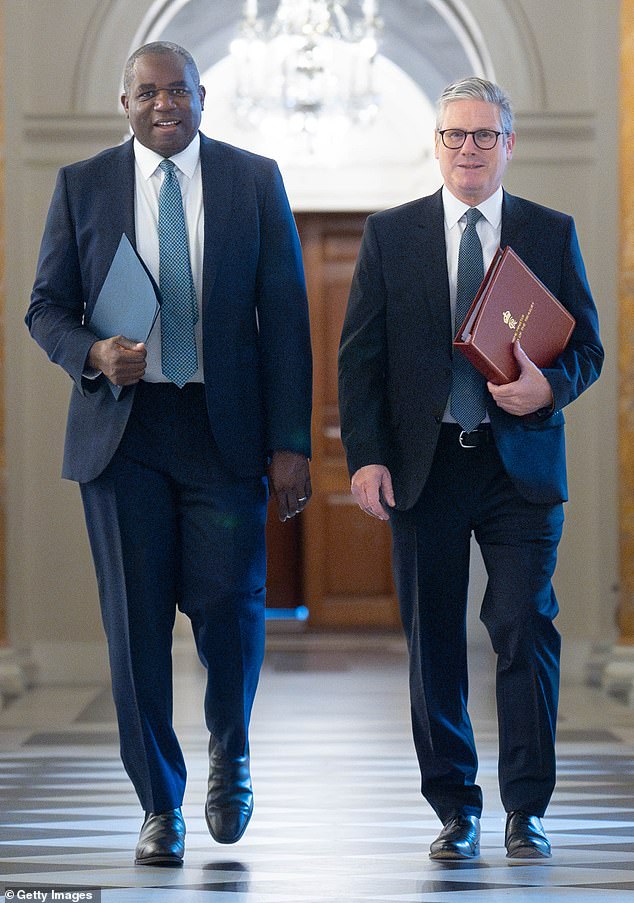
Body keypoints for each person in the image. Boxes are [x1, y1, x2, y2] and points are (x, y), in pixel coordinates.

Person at [26, 41, 312, 867]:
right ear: (125, 102)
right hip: (125, 439)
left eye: (178, 91)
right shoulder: (82, 186)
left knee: (231, 610)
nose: (164, 104)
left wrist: (290, 443)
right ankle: (160, 804)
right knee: (136, 629)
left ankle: (231, 749)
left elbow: (287, 322)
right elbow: (46, 306)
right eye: (148, 92)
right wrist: (91, 353)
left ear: (202, 97)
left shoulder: (253, 180)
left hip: (223, 437)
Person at [338, 77, 603, 860]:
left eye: (485, 136)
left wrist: (548, 385)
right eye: (455, 135)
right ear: (437, 144)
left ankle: (527, 807)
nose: (469, 150)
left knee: (524, 625)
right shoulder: (392, 234)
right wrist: (367, 457)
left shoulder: (550, 233)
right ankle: (456, 807)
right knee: (434, 643)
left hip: (519, 466)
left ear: (510, 144)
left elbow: (586, 347)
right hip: (425, 469)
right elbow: (361, 360)